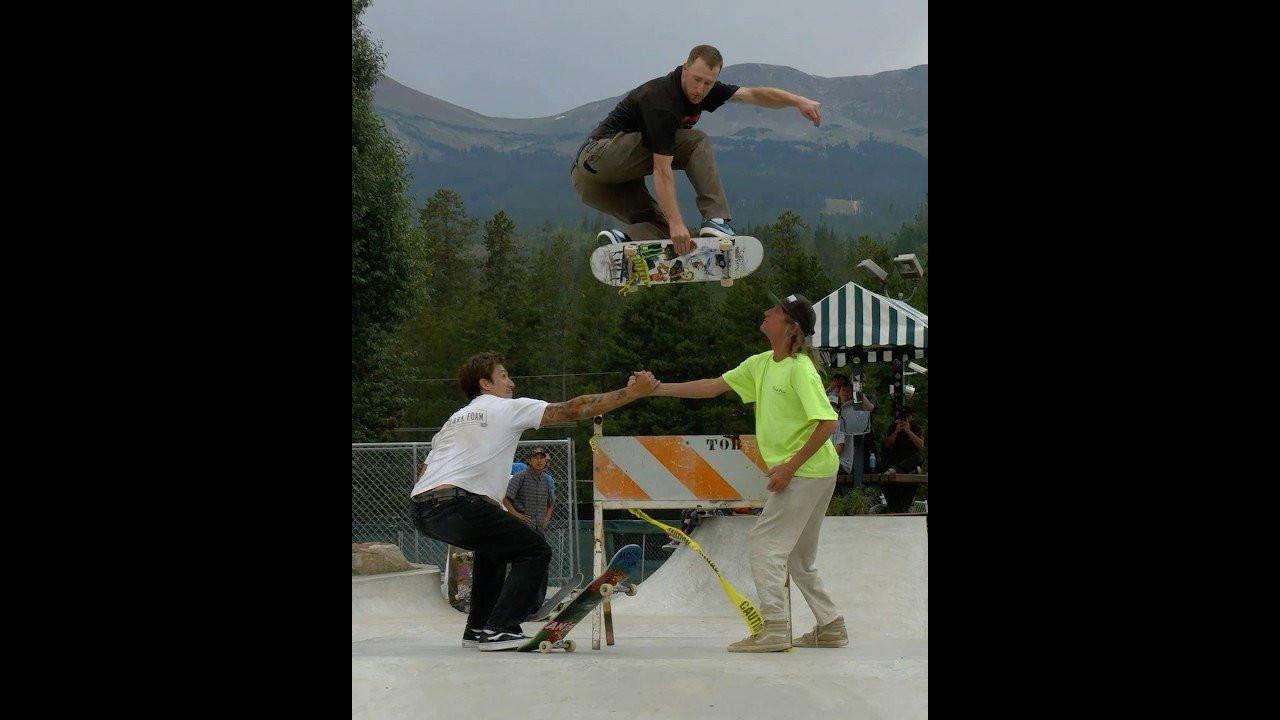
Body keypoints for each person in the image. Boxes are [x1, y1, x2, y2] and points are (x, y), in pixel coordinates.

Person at [410, 351, 659, 651]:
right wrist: (632, 393)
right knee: (535, 549)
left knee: (494, 550)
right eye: (503, 376)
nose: (511, 383)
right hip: (459, 505)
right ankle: (500, 628)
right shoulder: (506, 408)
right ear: (485, 385)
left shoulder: (453, 421)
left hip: (423, 508)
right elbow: (572, 409)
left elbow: (425, 470)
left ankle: (477, 629)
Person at [652, 292, 847, 652]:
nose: (765, 310)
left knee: (764, 545)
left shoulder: (799, 369)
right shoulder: (761, 364)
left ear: (791, 327)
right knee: (798, 557)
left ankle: (774, 628)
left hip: (805, 473)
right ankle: (831, 626)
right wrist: (657, 388)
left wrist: (788, 468)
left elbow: (828, 422)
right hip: (816, 472)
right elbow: (712, 387)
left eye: (775, 310)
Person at [571, 44, 822, 255]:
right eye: (696, 80)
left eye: (708, 83)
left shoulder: (706, 91)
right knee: (696, 142)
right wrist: (679, 221)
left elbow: (755, 95)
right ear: (685, 67)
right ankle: (716, 218)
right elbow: (662, 170)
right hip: (600, 156)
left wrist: (798, 100)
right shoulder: (662, 101)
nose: (700, 90)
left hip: (593, 186)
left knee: (664, 229)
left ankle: (623, 240)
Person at [504, 447, 555, 618]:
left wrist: (547, 518)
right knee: (523, 567)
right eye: (536, 458)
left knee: (542, 564)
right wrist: (516, 514)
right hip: (524, 529)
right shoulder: (520, 477)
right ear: (529, 460)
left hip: (538, 529)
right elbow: (505, 497)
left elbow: (551, 503)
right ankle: (520, 605)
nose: (539, 461)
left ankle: (536, 606)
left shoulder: (546, 480)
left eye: (542, 458)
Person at [877, 406, 926, 513]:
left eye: (906, 417)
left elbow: (921, 445)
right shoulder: (893, 426)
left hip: (909, 461)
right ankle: (894, 507)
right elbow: (886, 444)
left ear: (911, 417)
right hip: (894, 459)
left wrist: (908, 431)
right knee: (882, 472)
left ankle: (897, 469)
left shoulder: (915, 427)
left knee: (917, 459)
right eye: (902, 417)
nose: (904, 420)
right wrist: (896, 431)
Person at [831, 381, 877, 493]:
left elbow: (871, 408)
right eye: (843, 390)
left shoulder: (860, 402)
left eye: (848, 391)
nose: (846, 393)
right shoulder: (835, 407)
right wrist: (831, 387)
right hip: (844, 451)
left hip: (862, 444)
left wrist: (858, 387)